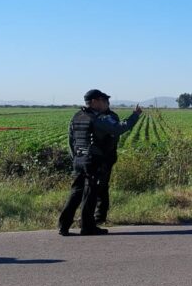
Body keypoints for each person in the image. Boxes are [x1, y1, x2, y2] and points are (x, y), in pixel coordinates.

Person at [57, 90, 141, 236]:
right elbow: (118, 129)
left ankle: (63, 225)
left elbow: (71, 140)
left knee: (76, 192)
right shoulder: (97, 118)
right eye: (103, 100)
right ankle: (87, 227)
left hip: (78, 159)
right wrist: (135, 115)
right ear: (95, 101)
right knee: (90, 193)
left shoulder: (77, 116)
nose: (105, 103)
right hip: (92, 160)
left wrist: (75, 158)